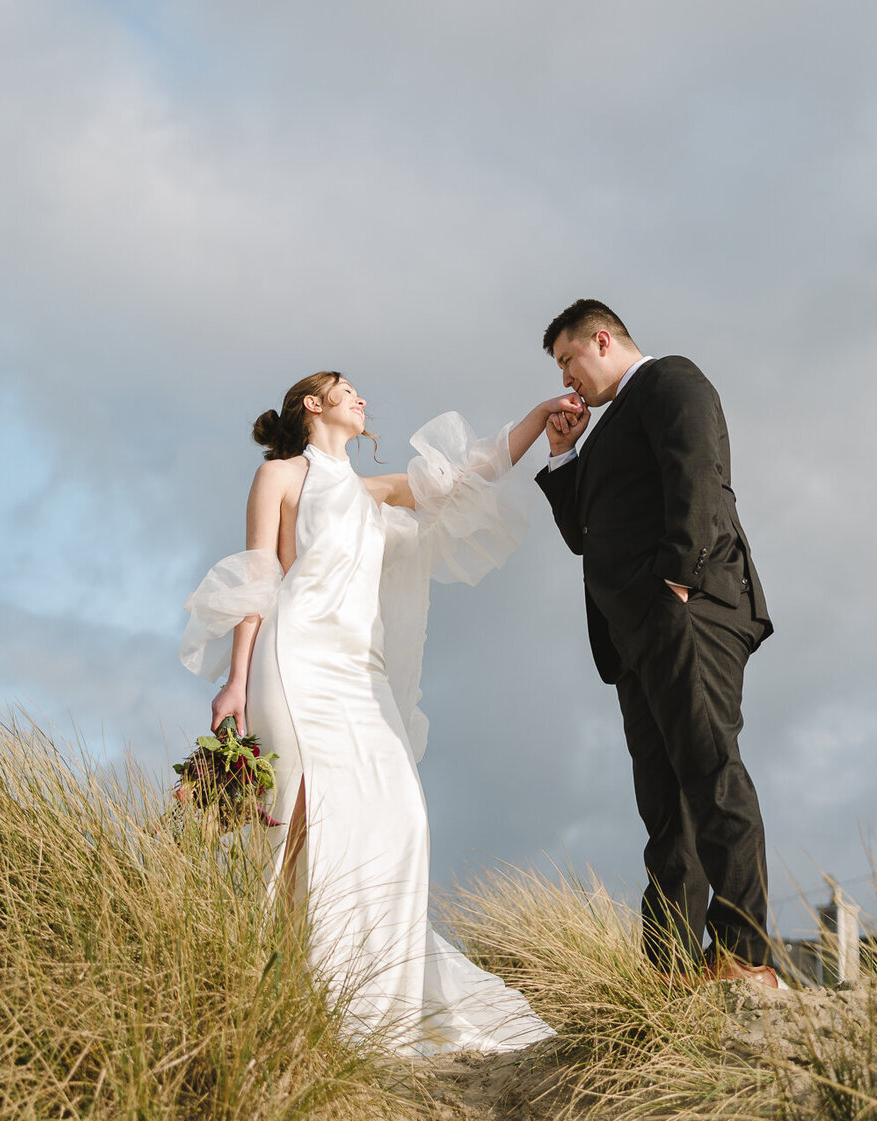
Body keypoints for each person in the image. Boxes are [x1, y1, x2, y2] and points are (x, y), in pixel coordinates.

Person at [180, 372, 574, 1054]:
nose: (362, 399)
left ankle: (371, 992)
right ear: (313, 404)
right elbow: (258, 578)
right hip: (294, 660)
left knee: (404, 818)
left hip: (361, 672)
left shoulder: (372, 493)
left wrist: (540, 417)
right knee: (301, 824)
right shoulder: (279, 476)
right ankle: (288, 994)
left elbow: (466, 474)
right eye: (347, 389)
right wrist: (236, 682)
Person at [535, 301, 780, 989]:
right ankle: (669, 972)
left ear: (603, 340)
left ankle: (742, 953)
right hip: (636, 635)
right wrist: (564, 458)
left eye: (568, 360)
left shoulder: (672, 380)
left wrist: (678, 583)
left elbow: (698, 476)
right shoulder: (610, 428)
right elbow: (588, 534)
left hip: (691, 612)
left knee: (710, 770)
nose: (567, 379)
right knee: (664, 805)